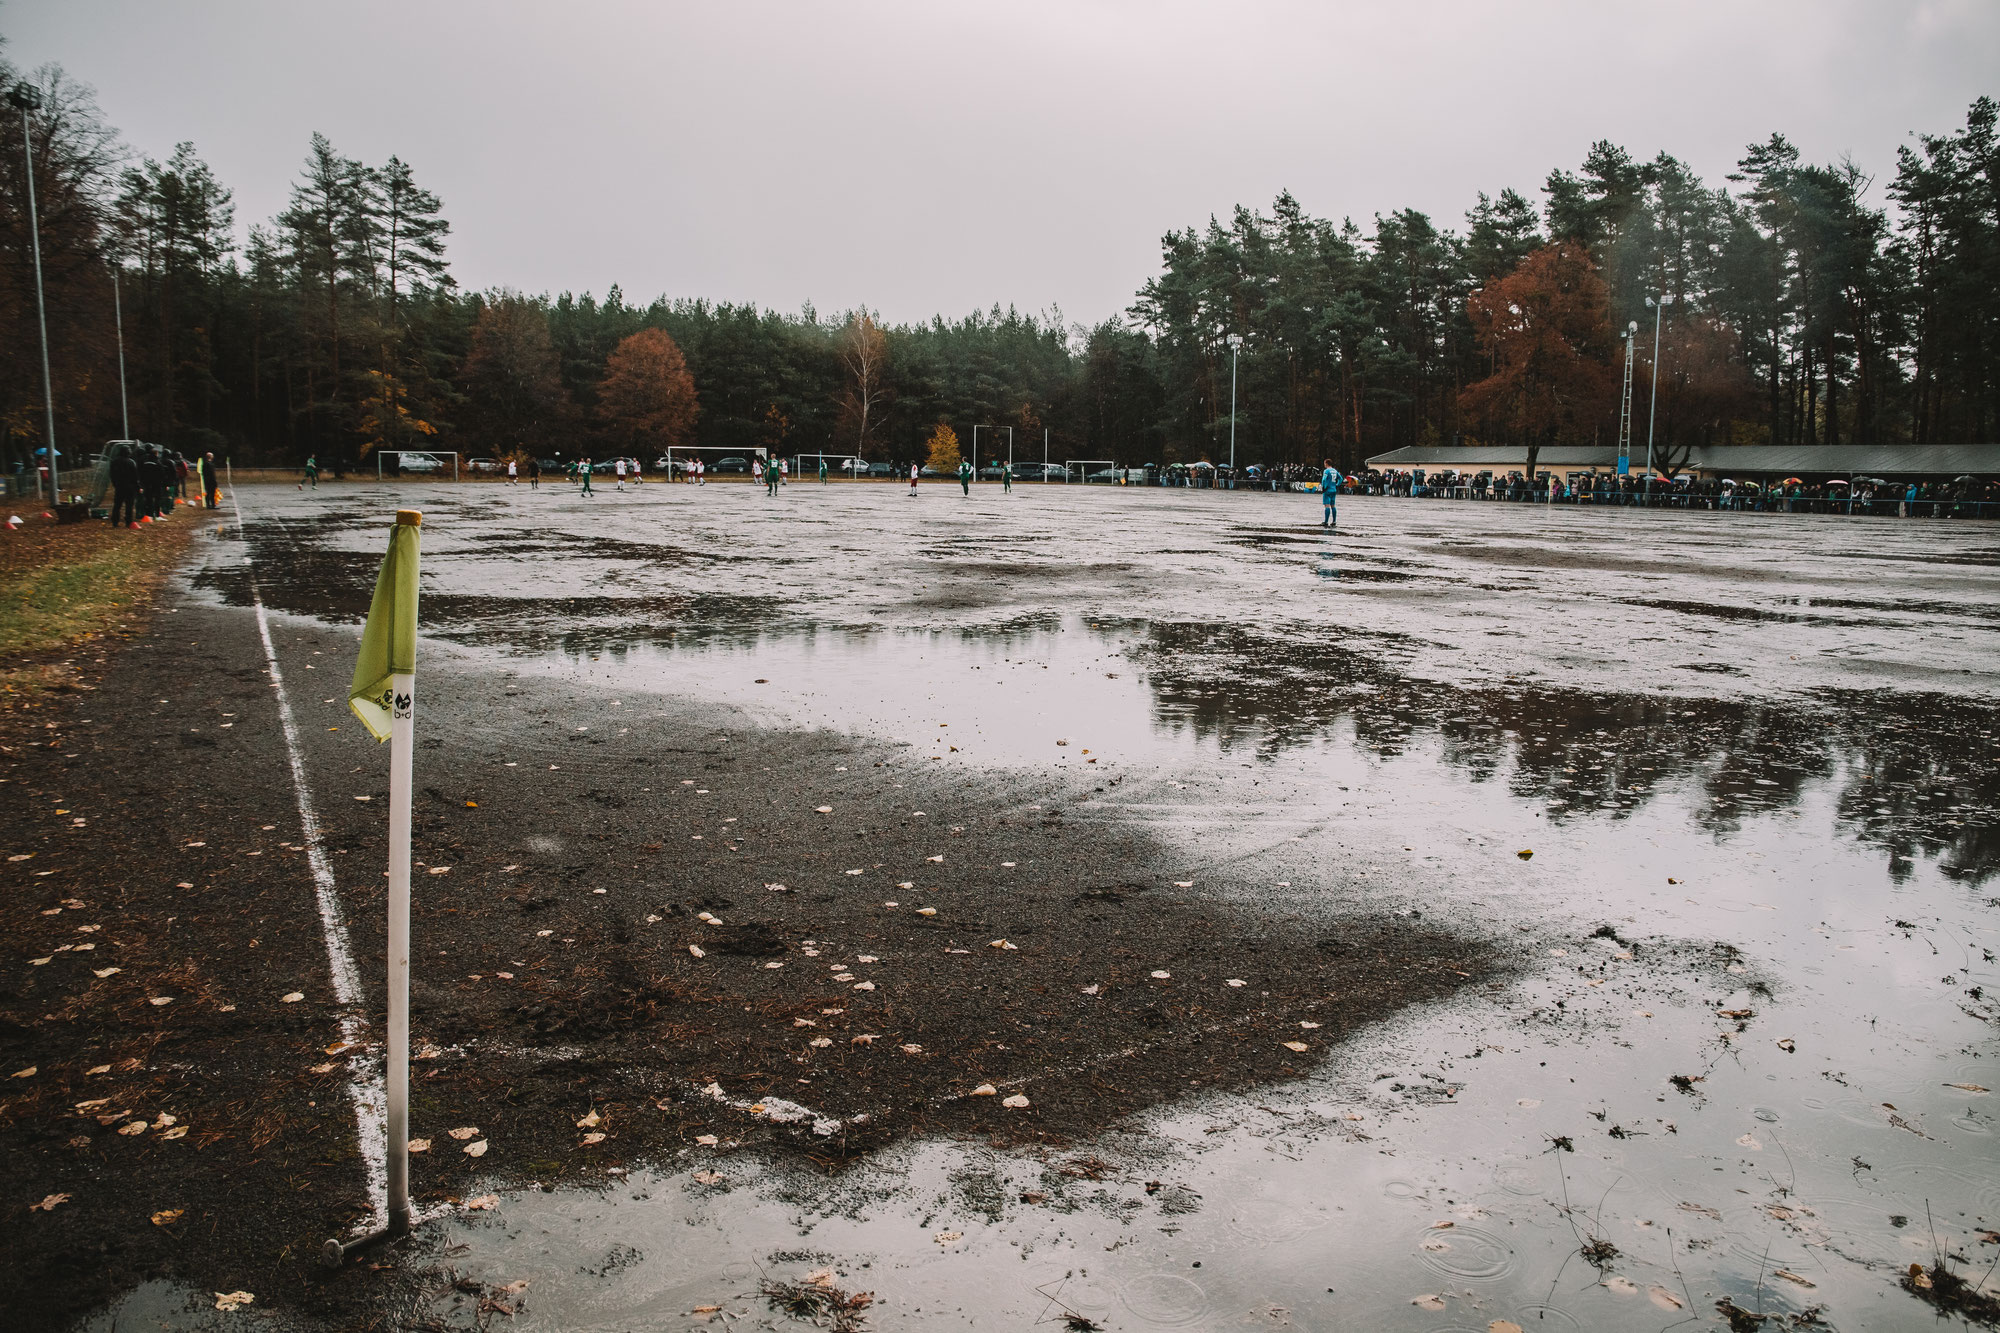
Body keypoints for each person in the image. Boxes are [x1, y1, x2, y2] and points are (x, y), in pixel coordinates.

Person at [108, 443, 139, 528]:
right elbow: (135, 476)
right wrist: (136, 486)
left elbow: (112, 474)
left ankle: (115, 521)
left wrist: (115, 484)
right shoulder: (131, 462)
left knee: (117, 505)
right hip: (129, 487)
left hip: (119, 486)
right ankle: (128, 522)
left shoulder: (114, 462)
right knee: (129, 505)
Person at [1319, 457, 1342, 529]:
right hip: (1334, 490)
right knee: (1333, 505)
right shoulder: (1335, 471)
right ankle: (1334, 521)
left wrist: (1323, 487)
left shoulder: (1326, 471)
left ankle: (1326, 521)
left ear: (1326, 463)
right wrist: (1337, 485)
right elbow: (1340, 479)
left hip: (1327, 490)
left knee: (1327, 505)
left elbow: (1324, 479)